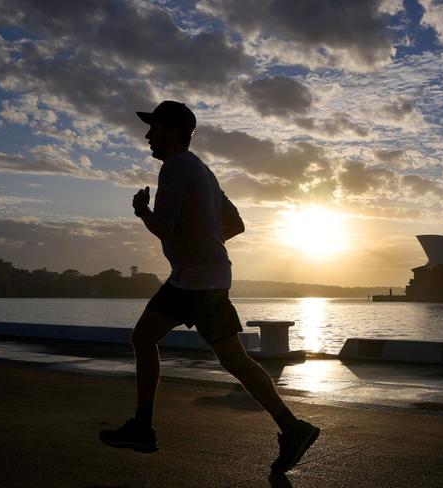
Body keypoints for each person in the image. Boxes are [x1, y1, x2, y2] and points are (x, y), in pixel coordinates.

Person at [99, 100, 319, 473]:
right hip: (200, 277)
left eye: (153, 128)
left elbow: (165, 228)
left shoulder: (174, 168)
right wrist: (205, 241)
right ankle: (291, 428)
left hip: (197, 281)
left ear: (172, 130)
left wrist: (142, 212)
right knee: (223, 357)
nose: (148, 135)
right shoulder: (204, 172)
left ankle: (144, 427)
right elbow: (235, 224)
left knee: (155, 342)